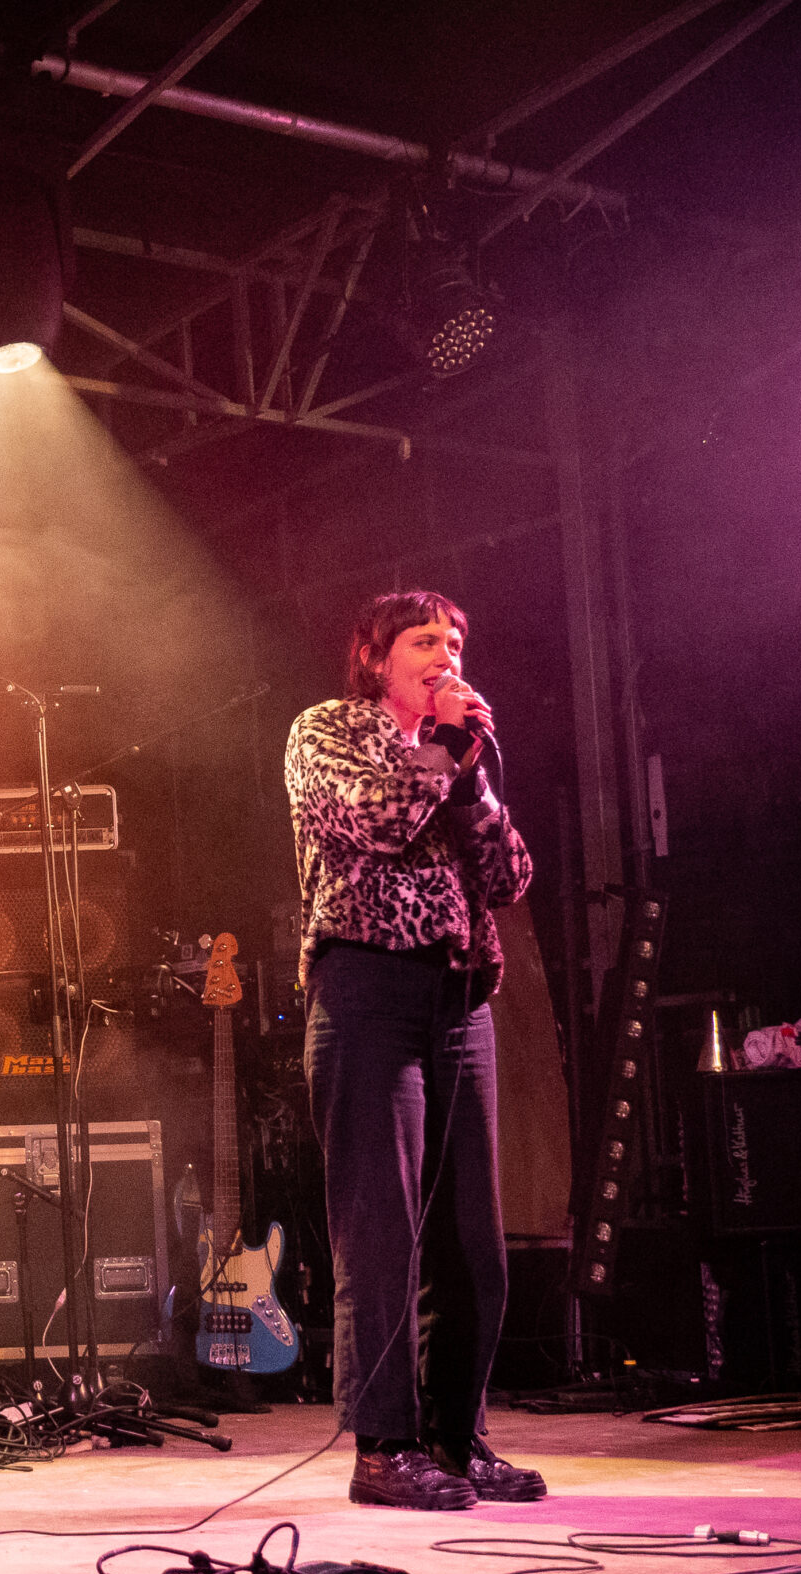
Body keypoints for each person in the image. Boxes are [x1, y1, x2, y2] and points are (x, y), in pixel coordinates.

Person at [283, 590, 543, 1510]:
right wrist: (440, 745)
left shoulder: (461, 748)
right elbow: (382, 822)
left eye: (457, 639)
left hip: (459, 999)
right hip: (367, 993)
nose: (447, 652)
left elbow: (510, 875)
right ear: (377, 658)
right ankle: (384, 1450)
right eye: (425, 640)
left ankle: (456, 1439)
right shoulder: (328, 734)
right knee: (382, 1235)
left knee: (475, 1242)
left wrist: (470, 771)